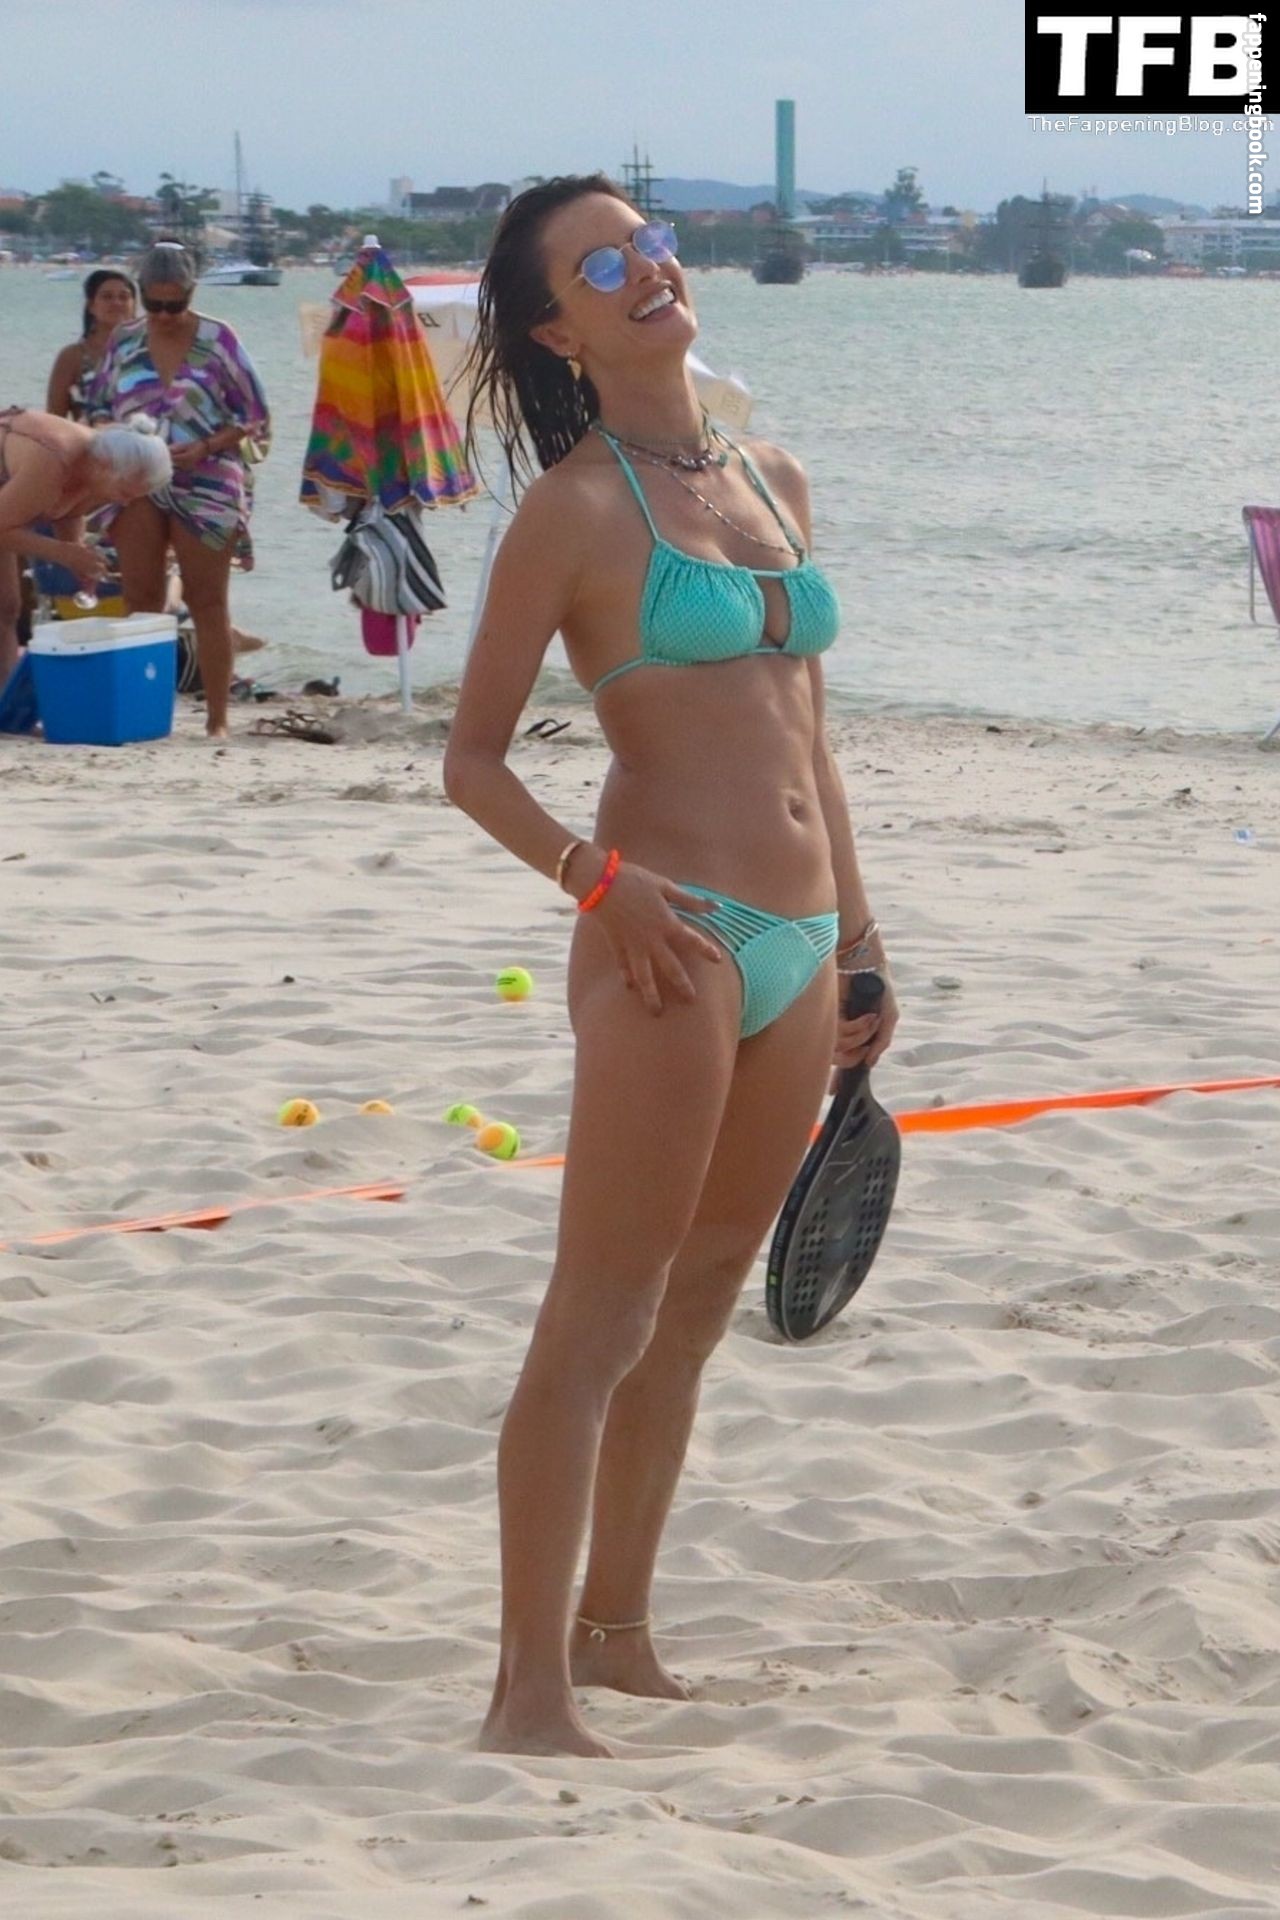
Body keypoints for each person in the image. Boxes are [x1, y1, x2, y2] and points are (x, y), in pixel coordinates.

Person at [442, 176, 900, 1758]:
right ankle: (526, 1693)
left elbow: (811, 737)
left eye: (649, 243)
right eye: (601, 266)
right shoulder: (573, 513)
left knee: (699, 1304)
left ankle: (619, 1635)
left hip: (798, 942)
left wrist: (859, 943)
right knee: (602, 1314)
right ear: (557, 330)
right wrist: (599, 881)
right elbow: (474, 762)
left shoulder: (773, 477)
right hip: (670, 938)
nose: (646, 271)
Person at [88, 241, 270, 737]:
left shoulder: (219, 340)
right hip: (137, 479)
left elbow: (254, 415)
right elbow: (98, 408)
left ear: (192, 292)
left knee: (208, 600)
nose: (165, 315)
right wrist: (118, 439)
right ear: (142, 294)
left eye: (176, 304)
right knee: (141, 596)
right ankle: (145, 712)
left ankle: (217, 720)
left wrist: (208, 445)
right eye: (155, 304)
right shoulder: (124, 341)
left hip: (208, 479)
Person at [0, 408, 171, 687]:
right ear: (105, 466)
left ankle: (4, 700)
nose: (125, 502)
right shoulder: (54, 463)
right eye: (125, 493)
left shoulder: (100, 469)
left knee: (6, 607)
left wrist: (78, 557)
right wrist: (63, 553)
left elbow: (68, 512)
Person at [46, 269, 138, 420]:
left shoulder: (147, 351)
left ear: (134, 305)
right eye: (107, 296)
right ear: (91, 306)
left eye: (124, 297)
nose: (116, 303)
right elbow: (54, 419)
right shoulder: (73, 357)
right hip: (88, 434)